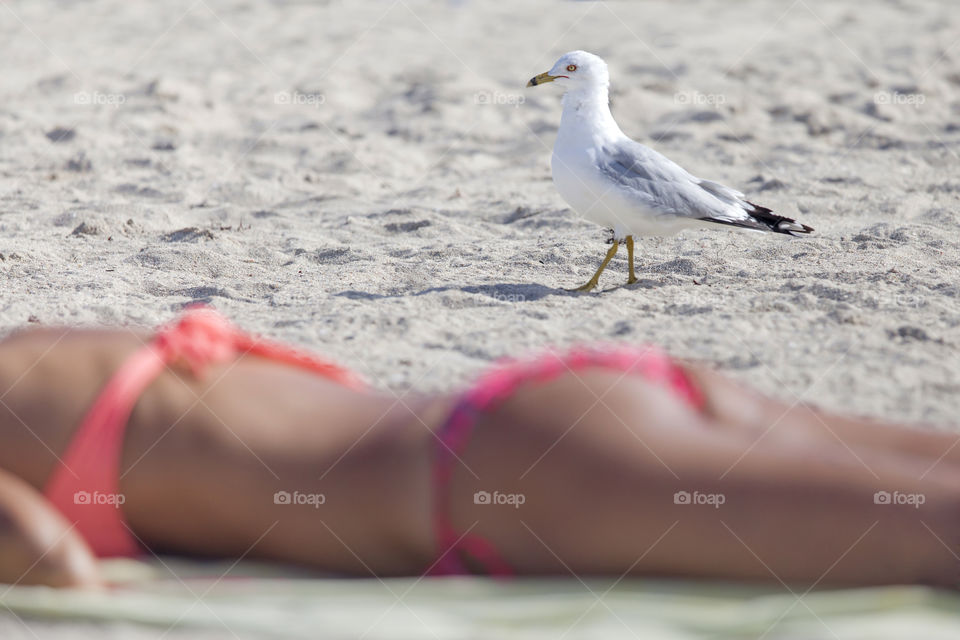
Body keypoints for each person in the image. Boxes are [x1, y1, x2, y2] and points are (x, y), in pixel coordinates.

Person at [0, 307, 956, 590]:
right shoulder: (34, 349)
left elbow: (53, 562)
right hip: (546, 411)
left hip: (504, 485)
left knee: (934, 538)